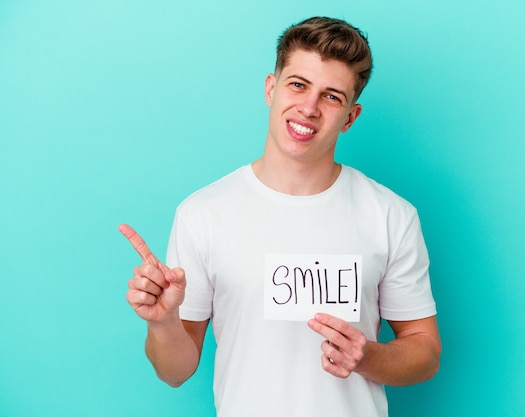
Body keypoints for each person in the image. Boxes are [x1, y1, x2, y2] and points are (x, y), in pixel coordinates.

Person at [121, 16, 441, 417]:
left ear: (351, 117)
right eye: (298, 85)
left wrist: (367, 357)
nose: (308, 108)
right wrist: (163, 323)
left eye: (331, 96)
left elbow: (425, 350)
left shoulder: (391, 215)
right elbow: (174, 372)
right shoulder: (203, 214)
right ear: (271, 88)